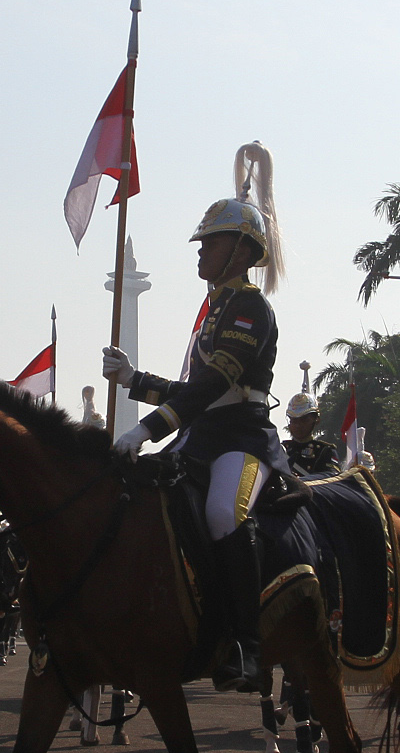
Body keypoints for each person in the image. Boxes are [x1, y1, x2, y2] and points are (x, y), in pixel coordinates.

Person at [103, 144, 285, 692]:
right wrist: (134, 380)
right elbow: (192, 391)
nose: (200, 252)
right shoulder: (215, 310)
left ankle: (247, 647)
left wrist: (144, 428)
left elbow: (211, 386)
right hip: (203, 437)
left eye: (210, 243)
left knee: (224, 515)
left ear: (240, 250)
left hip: (242, 441)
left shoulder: (250, 308)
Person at [282, 390, 342, 477]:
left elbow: (331, 478)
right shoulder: (281, 450)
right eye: (294, 421)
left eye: (304, 420)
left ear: (316, 420)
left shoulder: (325, 451)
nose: (298, 425)